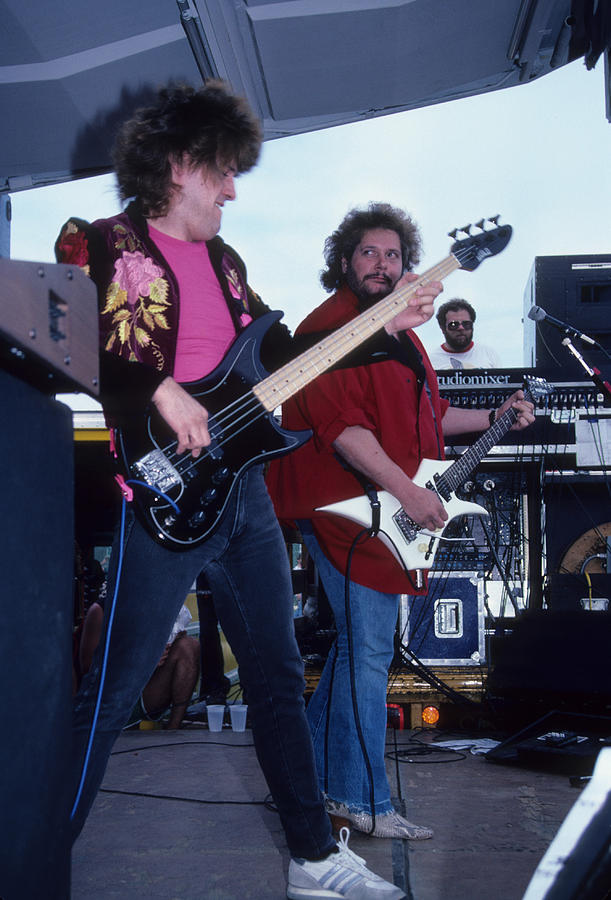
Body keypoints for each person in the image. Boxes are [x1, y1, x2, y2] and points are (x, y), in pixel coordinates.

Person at [55, 82, 414, 899]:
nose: (232, 188)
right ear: (180, 165)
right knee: (111, 692)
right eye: (222, 171)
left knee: (278, 679)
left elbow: (283, 357)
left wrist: (377, 328)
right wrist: (159, 388)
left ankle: (314, 858)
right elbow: (75, 339)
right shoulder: (104, 243)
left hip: (244, 495)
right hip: (164, 494)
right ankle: (36, 856)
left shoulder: (226, 262)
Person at [266, 203, 534, 841]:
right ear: (344, 261)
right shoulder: (331, 326)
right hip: (343, 505)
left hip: (373, 502)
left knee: (359, 649)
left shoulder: (403, 336)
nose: (382, 265)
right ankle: (365, 802)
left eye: (393, 256)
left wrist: (495, 414)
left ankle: (314, 788)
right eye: (369, 253)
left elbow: (427, 423)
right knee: (370, 650)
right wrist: (407, 495)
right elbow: (345, 431)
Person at [426, 298, 501, 369]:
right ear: (442, 328)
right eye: (453, 325)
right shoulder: (431, 362)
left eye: (466, 324)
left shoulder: (489, 355)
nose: (461, 328)